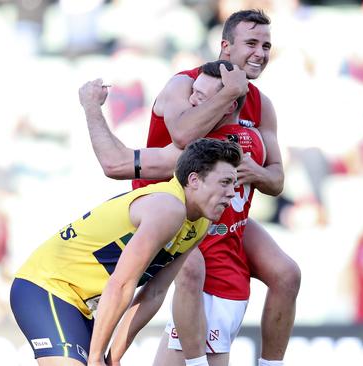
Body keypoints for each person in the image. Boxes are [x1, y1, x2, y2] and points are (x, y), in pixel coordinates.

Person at [133, 9, 300, 366]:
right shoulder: (184, 84)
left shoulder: (261, 105)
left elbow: (276, 180)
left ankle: (271, 364)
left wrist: (254, 171)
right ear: (225, 47)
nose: (260, 52)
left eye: (267, 45)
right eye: (251, 43)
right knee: (191, 270)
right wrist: (228, 94)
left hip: (220, 213)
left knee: (286, 274)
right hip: (166, 207)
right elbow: (181, 134)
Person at [78, 60, 267, 366]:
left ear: (227, 103)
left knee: (176, 274)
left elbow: (115, 164)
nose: (191, 101)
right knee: (284, 273)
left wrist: (91, 107)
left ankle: (106, 358)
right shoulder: (252, 139)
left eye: (203, 99)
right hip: (229, 286)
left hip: (211, 287)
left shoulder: (201, 154)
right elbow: (276, 180)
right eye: (193, 92)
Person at [10, 136, 242, 366]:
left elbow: (154, 293)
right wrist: (95, 357)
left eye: (234, 184)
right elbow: (121, 284)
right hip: (46, 287)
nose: (232, 192)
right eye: (225, 182)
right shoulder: (169, 208)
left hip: (77, 303)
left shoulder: (200, 224)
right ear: (194, 180)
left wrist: (114, 356)